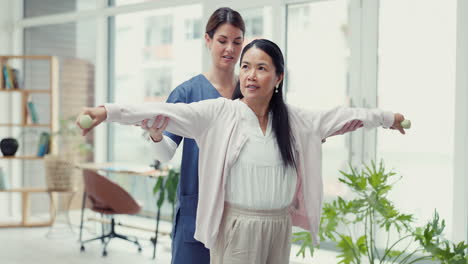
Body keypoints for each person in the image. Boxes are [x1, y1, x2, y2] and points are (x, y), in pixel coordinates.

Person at [77, 39, 406, 263]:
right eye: (246, 67)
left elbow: (348, 116)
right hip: (237, 227)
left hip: (278, 226)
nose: (250, 75)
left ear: (278, 77)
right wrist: (107, 111)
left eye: (261, 68)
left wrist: (389, 118)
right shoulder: (220, 113)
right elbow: (166, 111)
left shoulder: (296, 120)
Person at [137, 7, 362, 264]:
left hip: (244, 217)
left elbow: (280, 133)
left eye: (237, 41)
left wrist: (307, 140)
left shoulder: (255, 86)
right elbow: (166, 153)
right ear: (208, 41)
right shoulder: (188, 92)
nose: (230, 49)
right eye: (222, 41)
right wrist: (155, 135)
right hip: (199, 208)